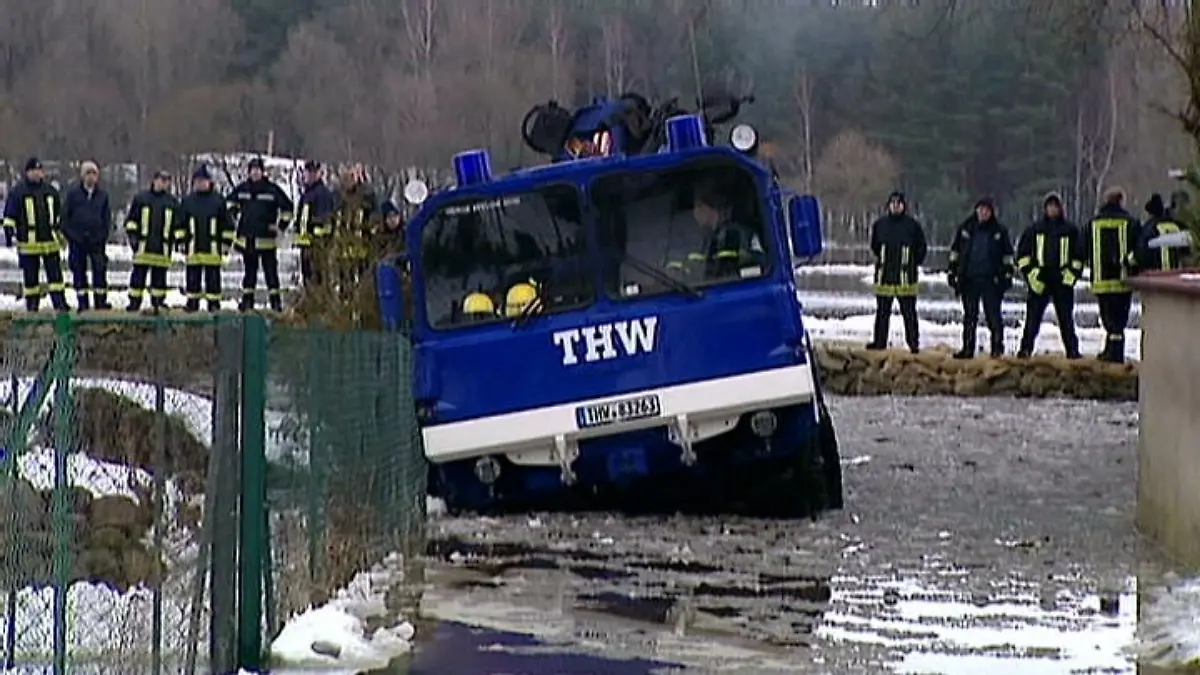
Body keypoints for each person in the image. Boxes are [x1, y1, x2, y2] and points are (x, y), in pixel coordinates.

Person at [1015, 192, 1082, 359]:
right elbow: (1022, 256)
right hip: (1040, 280)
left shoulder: (1070, 230)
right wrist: (1031, 274)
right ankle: (1025, 350)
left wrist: (1071, 276)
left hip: (1062, 280)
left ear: (1060, 208)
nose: (1052, 210)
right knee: (1032, 320)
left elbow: (1079, 256)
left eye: (1055, 206)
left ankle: (1072, 352)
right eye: (1049, 207)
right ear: (1045, 209)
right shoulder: (1034, 229)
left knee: (1066, 320)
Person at [947, 197, 1014, 359]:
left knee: (994, 317)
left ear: (991, 212)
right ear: (976, 210)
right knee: (970, 317)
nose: (983, 212)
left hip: (991, 280)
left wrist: (1007, 274)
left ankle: (997, 348)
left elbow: (1008, 256)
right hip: (969, 279)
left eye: (986, 210)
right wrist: (952, 272)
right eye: (981, 209)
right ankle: (968, 349)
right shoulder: (965, 228)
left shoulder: (999, 231)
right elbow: (955, 252)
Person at [1081, 186, 1140, 363]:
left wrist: (1089, 265)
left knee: (1108, 319)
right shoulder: (1131, 222)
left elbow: (1082, 249)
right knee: (1120, 321)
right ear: (1121, 200)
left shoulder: (1093, 223)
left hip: (1101, 280)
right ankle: (1116, 353)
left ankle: (1110, 352)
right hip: (1122, 279)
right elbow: (1139, 248)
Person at [228, 157, 294, 311]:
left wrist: (280, 226)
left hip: (266, 240)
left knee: (271, 273)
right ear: (249, 172)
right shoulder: (242, 189)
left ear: (263, 172)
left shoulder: (272, 190)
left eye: (258, 170)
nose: (255, 173)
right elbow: (229, 204)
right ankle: (247, 302)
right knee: (249, 274)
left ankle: (275, 303)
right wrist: (233, 215)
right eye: (252, 170)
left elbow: (288, 208)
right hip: (247, 239)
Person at [2, 158, 68, 312]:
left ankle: (60, 304)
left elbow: (59, 215)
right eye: (33, 171)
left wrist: (62, 234)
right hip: (28, 243)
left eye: (39, 171)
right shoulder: (18, 192)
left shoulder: (50, 191)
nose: (37, 174)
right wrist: (10, 233)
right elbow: (9, 216)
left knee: (56, 278)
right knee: (31, 279)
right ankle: (32, 306)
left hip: (50, 242)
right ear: (27, 173)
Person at [866, 191, 927, 353]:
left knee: (909, 313)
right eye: (892, 203)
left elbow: (921, 248)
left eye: (898, 204)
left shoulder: (912, 226)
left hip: (905, 278)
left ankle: (913, 343)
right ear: (889, 206)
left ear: (903, 206)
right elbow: (875, 247)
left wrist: (913, 264)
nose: (895, 206)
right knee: (882, 313)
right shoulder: (880, 225)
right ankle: (879, 342)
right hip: (884, 276)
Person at [176, 165, 236, 312]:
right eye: (198, 181)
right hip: (193, 247)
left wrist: (226, 244)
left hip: (213, 249)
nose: (200, 183)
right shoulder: (188, 201)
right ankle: (192, 303)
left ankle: (214, 304)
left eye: (203, 181)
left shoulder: (218, 201)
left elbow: (228, 225)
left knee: (213, 279)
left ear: (209, 182)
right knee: (192, 278)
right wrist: (180, 242)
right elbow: (179, 224)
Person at [124, 170, 180, 311]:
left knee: (160, 279)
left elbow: (177, 226)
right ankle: (134, 303)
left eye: (167, 181)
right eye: (161, 179)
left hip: (163, 248)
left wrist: (178, 242)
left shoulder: (172, 202)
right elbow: (131, 221)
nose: (164, 183)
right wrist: (133, 238)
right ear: (154, 180)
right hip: (143, 247)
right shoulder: (141, 199)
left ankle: (158, 303)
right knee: (138, 277)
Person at [61, 161, 112, 310]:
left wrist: (102, 236)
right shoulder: (73, 195)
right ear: (82, 176)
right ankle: (82, 303)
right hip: (78, 241)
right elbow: (64, 219)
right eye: (88, 173)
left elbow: (106, 219)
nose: (91, 177)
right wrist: (72, 236)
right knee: (78, 271)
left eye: (94, 173)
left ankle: (100, 302)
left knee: (100, 271)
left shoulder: (103, 196)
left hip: (96, 241)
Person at [691, 183, 764, 280]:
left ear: (711, 206)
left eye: (699, 205)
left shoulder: (735, 235)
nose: (695, 212)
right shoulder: (710, 238)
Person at [332, 163, 378, 294]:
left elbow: (375, 219)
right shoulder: (337, 195)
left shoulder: (367, 195)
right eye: (345, 176)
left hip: (362, 247)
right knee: (344, 286)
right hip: (341, 248)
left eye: (352, 175)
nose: (348, 179)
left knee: (363, 284)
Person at [295, 160, 336, 286]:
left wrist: (316, 242)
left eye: (314, 172)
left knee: (317, 280)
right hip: (305, 246)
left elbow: (325, 223)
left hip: (317, 247)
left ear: (319, 173)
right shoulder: (307, 194)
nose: (310, 175)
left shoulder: (322, 194)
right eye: (308, 172)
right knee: (308, 279)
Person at [1135, 193, 1191, 273]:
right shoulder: (1177, 225)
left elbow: (1141, 252)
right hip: (1177, 273)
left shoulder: (1149, 228)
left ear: (1150, 213)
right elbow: (1187, 253)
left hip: (1156, 273)